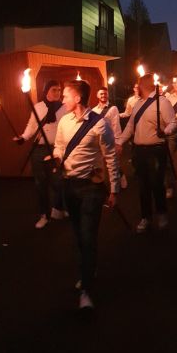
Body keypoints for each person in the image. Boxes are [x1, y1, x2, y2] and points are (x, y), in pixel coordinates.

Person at [54, 80, 120, 310]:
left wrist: (114, 189)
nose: (62, 99)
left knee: (88, 235)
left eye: (66, 95)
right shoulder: (63, 121)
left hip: (92, 189)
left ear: (78, 98)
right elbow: (59, 147)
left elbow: (110, 156)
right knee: (79, 236)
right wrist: (55, 158)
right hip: (70, 186)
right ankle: (88, 267)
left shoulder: (100, 125)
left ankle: (86, 291)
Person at [117, 73, 177, 233]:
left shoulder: (162, 102)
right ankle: (146, 217)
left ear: (144, 86)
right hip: (140, 152)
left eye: (138, 85)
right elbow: (130, 126)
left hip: (156, 150)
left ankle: (162, 213)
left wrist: (165, 131)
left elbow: (173, 122)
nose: (135, 87)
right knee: (143, 186)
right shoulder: (137, 104)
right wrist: (120, 141)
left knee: (157, 184)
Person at [15, 80, 66, 229]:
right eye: (54, 89)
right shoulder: (38, 107)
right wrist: (23, 137)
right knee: (40, 184)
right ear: (46, 91)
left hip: (56, 149)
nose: (57, 92)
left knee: (58, 182)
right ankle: (44, 214)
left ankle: (59, 207)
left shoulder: (64, 108)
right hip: (39, 149)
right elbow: (31, 127)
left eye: (59, 89)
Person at [92, 86, 127, 188]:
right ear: (97, 95)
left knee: (114, 162)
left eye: (105, 93)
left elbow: (116, 125)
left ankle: (121, 177)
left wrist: (118, 142)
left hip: (111, 139)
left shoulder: (113, 108)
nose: (103, 95)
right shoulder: (94, 110)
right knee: (101, 164)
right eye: (101, 93)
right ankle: (105, 185)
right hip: (99, 140)